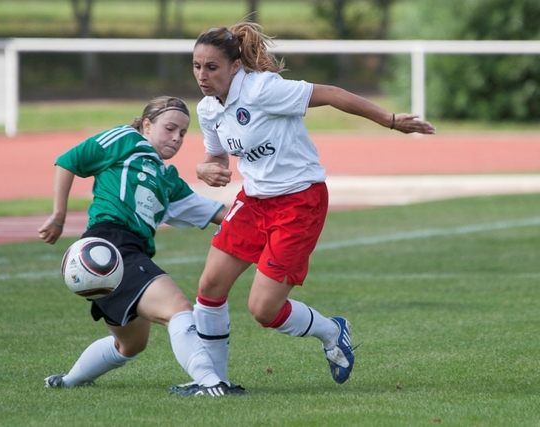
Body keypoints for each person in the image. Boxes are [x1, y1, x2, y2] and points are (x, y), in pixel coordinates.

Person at [181, 22, 437, 389]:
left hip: (299, 202)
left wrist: (390, 120)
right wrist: (206, 168)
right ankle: (213, 382)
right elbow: (217, 158)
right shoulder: (208, 109)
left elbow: (331, 93)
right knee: (210, 287)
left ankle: (333, 332)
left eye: (211, 67)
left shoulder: (262, 89)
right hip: (253, 202)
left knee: (263, 310)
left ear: (235, 67)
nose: (202, 76)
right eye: (196, 66)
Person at [38, 96, 245, 396]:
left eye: (183, 134)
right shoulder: (126, 139)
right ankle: (211, 384)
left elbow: (220, 215)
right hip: (110, 245)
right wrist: (58, 216)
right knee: (179, 309)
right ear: (147, 125)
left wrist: (266, 220)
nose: (176, 138)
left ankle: (67, 381)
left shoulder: (167, 179)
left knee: (130, 345)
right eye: (170, 128)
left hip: (125, 255)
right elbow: (69, 160)